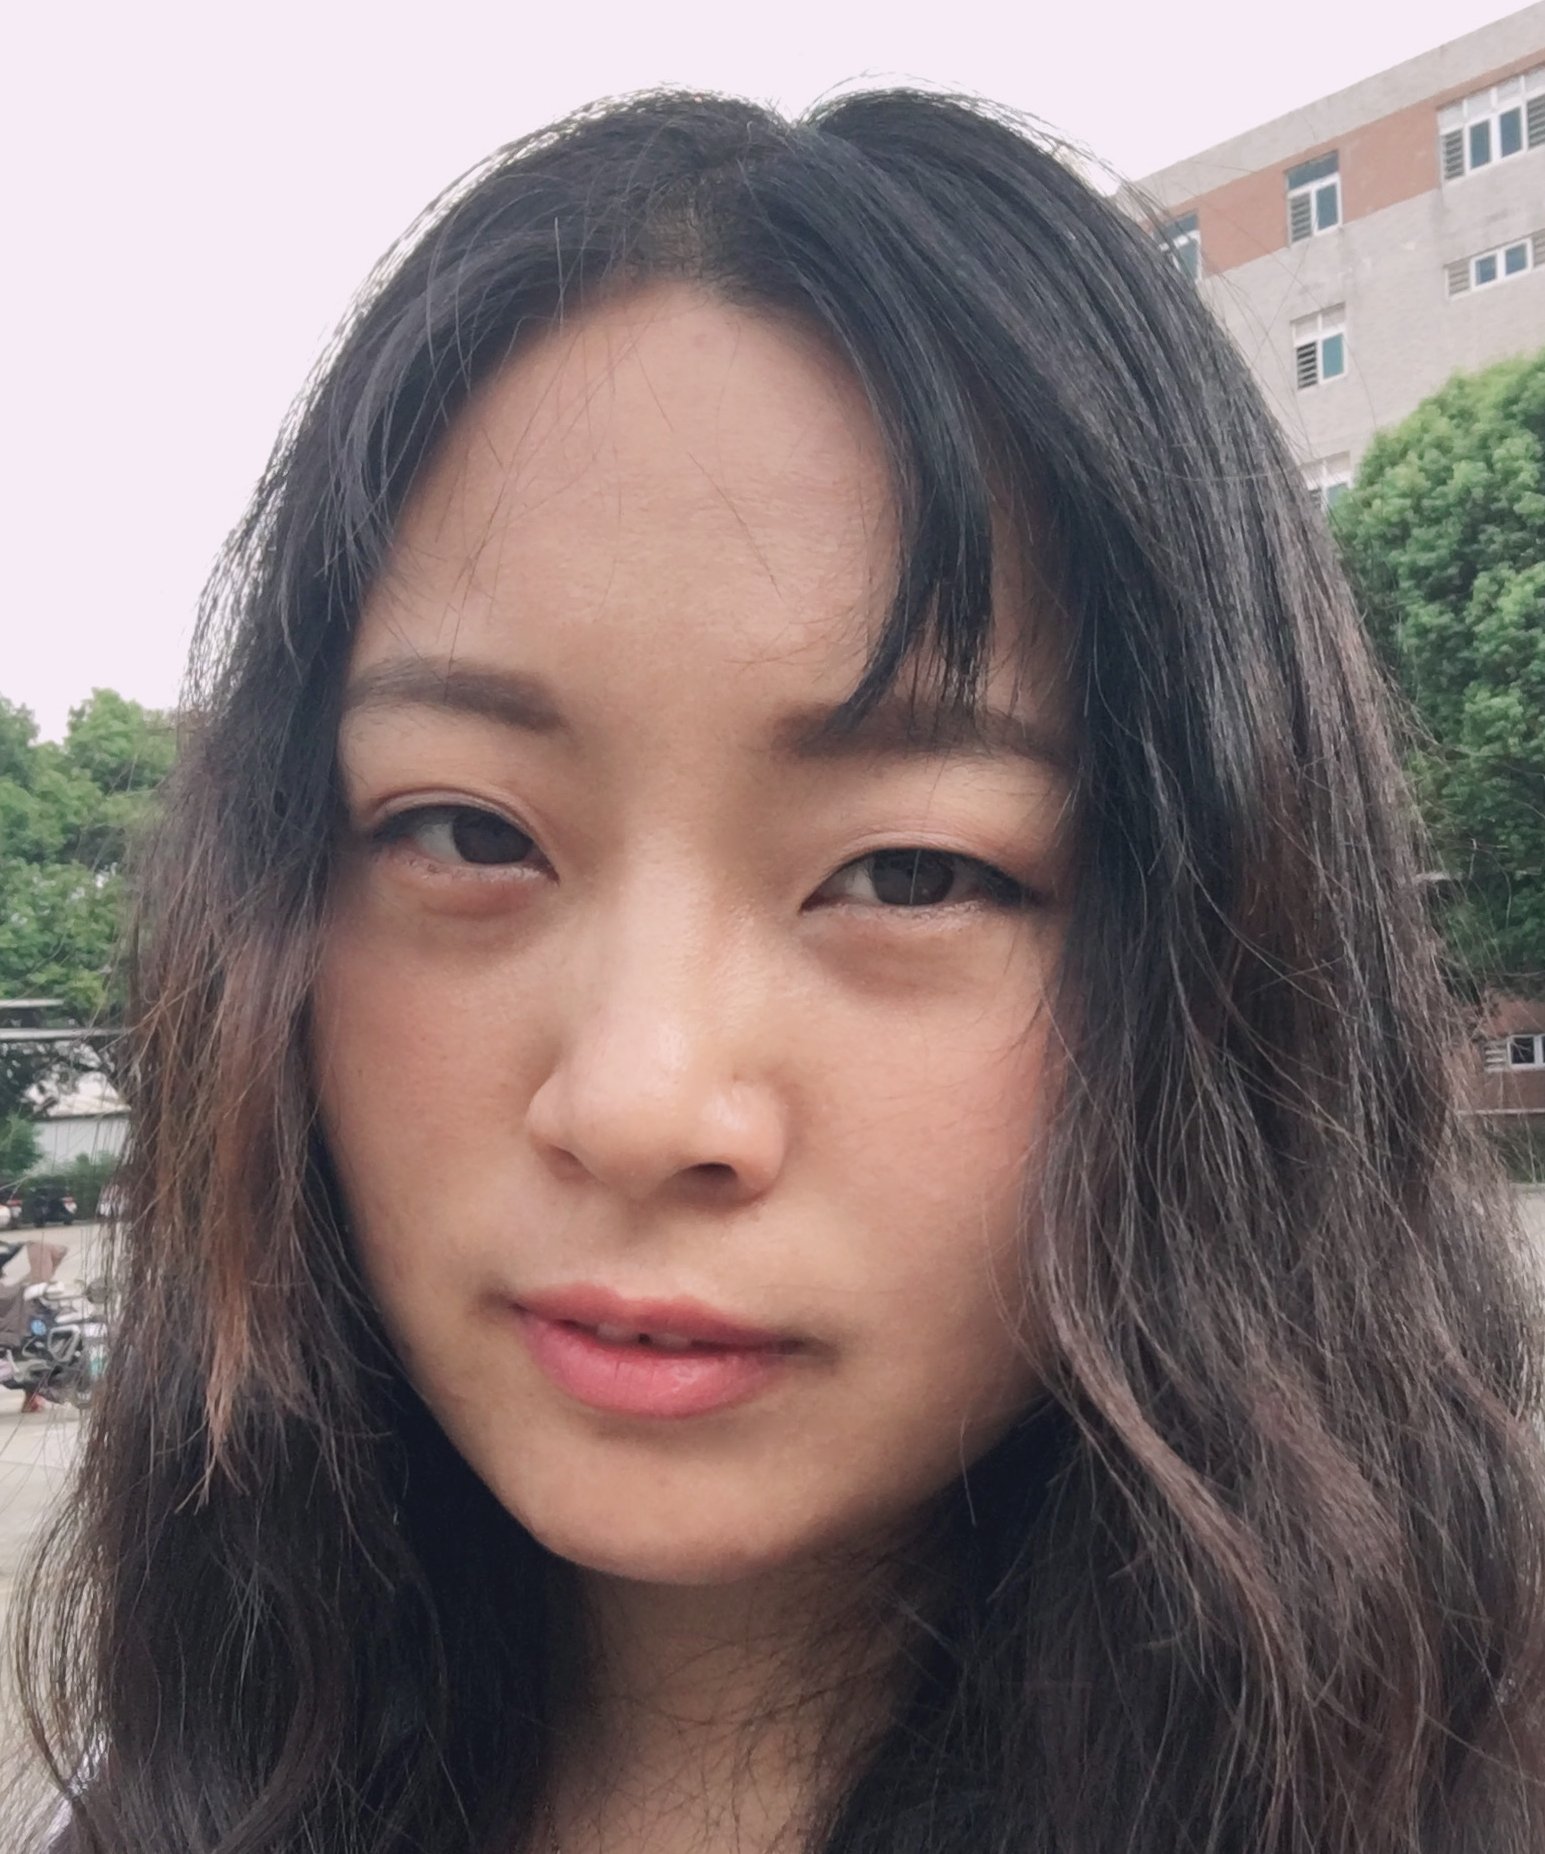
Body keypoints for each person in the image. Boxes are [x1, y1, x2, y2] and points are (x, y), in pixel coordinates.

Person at [18, 89, 1545, 1854]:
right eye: (468, 832)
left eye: (911, 871)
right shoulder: (170, 1793)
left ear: (1224, 962)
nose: (638, 1100)